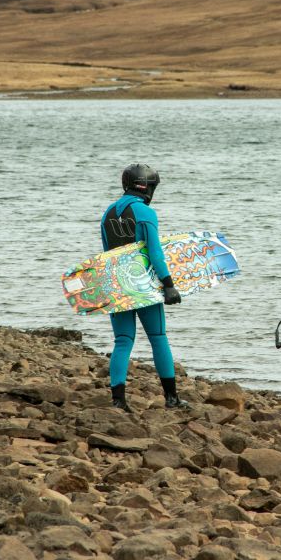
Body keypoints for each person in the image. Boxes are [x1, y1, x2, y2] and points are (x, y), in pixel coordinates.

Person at [100, 163, 187, 412]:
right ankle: (171, 398)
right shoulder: (145, 213)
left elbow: (107, 252)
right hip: (142, 285)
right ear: (146, 187)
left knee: (123, 340)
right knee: (158, 337)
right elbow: (155, 252)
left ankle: (118, 401)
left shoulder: (108, 212)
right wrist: (168, 285)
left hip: (115, 283)